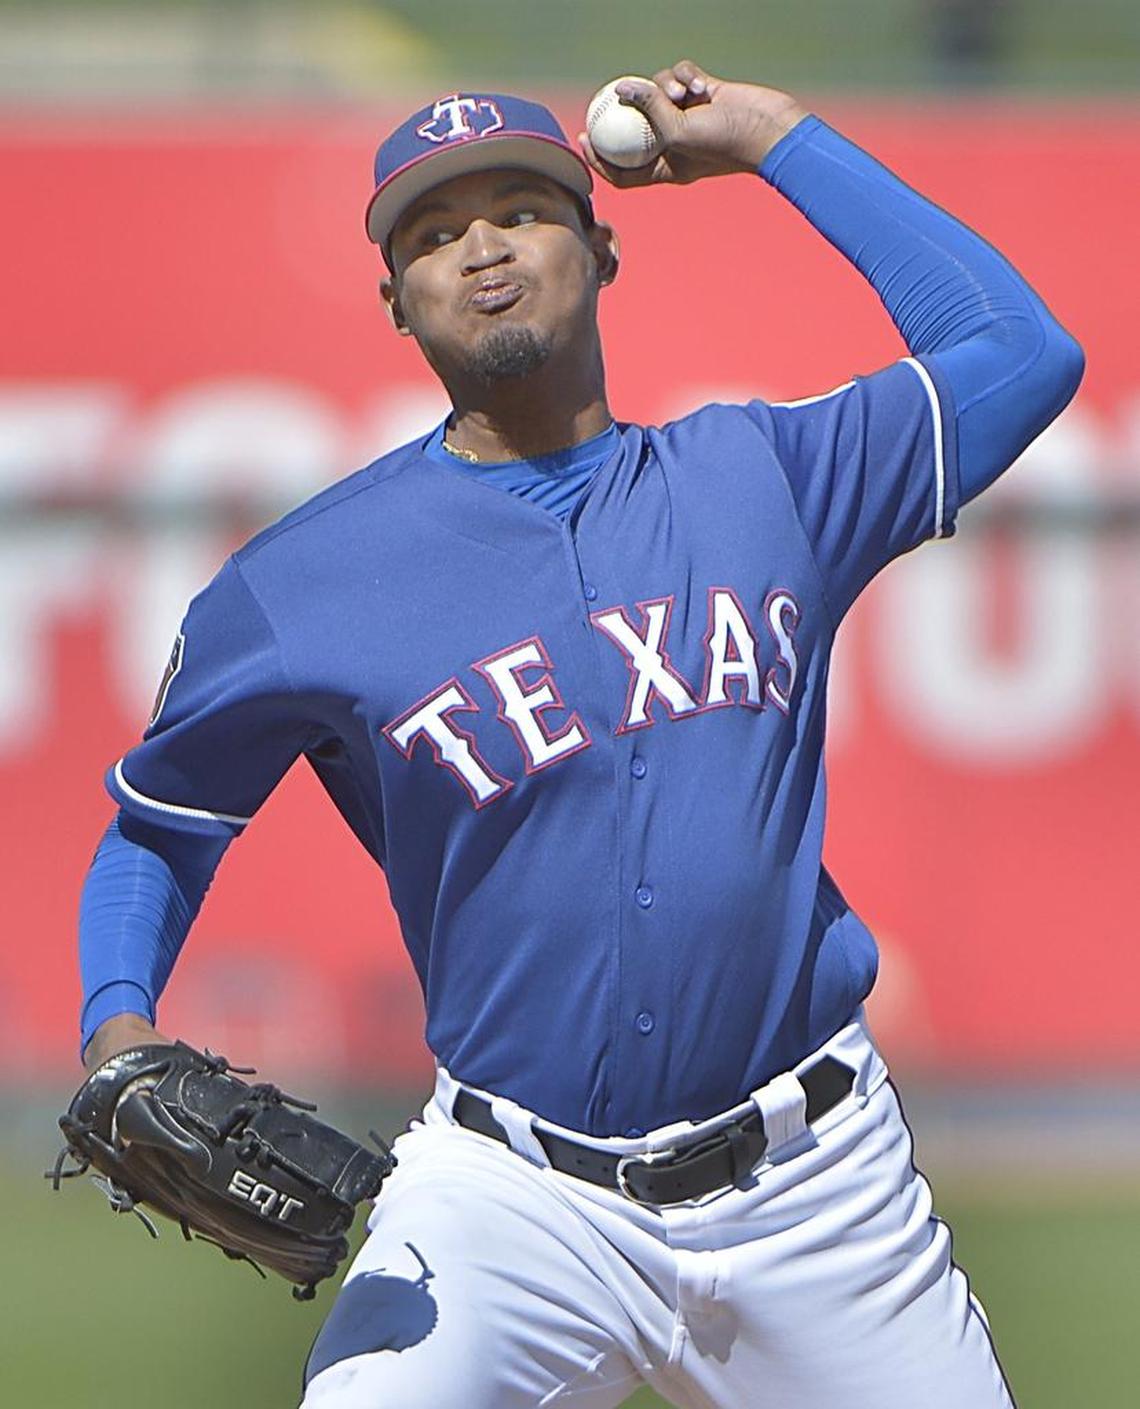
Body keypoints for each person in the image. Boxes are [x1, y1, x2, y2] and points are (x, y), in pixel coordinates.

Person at [78, 61, 1082, 1408]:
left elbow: (1022, 353)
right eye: (432, 233)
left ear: (600, 247)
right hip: (510, 1201)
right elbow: (159, 829)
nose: (481, 247)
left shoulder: (769, 476)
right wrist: (115, 1029)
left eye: (521, 209)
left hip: (819, 1194)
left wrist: (778, 141)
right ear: (395, 301)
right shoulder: (300, 584)